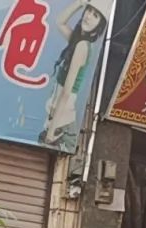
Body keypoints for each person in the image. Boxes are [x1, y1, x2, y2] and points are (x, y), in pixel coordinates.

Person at [41, 0, 108, 150]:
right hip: (58, 120)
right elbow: (60, 22)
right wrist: (79, 3)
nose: (88, 16)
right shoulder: (78, 41)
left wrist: (50, 133)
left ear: (99, 26)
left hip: (61, 125)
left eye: (95, 15)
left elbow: (66, 92)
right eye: (89, 11)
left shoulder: (82, 47)